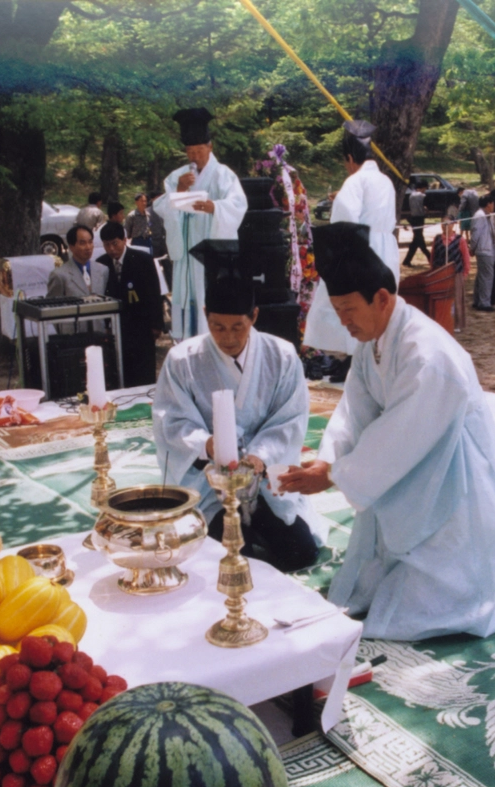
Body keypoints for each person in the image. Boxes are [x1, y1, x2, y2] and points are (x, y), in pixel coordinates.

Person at [278, 221, 495, 640]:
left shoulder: (427, 353)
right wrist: (328, 460)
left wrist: (335, 474)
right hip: (409, 463)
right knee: (379, 584)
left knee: (424, 604)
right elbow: (355, 411)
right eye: (337, 311)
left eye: (349, 310)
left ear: (382, 298)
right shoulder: (372, 343)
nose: (344, 322)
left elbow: (403, 434)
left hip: (451, 471)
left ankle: (486, 560)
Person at [154, 239, 322, 573]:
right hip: (209, 485)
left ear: (254, 316)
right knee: (230, 560)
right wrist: (207, 444)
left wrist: (260, 456)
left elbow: (289, 420)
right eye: (218, 326)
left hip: (264, 481)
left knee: (300, 553)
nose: (228, 337)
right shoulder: (182, 360)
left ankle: (260, 525)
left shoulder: (281, 355)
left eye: (238, 327)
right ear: (206, 315)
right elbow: (170, 420)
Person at [304, 120, 399, 359]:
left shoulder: (354, 181)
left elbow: (344, 224)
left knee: (352, 305)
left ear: (349, 158)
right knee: (379, 305)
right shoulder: (385, 181)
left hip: (362, 249)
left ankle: (351, 356)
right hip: (386, 251)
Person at [154, 107, 247, 341]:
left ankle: (214, 344)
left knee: (209, 297)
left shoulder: (223, 175)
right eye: (190, 152)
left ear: (210, 147)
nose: (194, 156)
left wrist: (214, 207)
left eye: (199, 150)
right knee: (188, 302)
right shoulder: (177, 177)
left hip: (210, 255)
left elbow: (238, 204)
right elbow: (160, 207)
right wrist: (179, 190)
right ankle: (186, 344)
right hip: (186, 256)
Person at [95, 221, 163, 388]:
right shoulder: (100, 263)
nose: (111, 249)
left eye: (115, 243)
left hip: (140, 325)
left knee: (143, 373)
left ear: (124, 240)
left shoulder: (143, 260)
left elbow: (154, 293)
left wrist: (156, 324)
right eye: (107, 245)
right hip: (116, 326)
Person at [431, 217, 470, 331]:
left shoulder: (460, 240)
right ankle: (441, 321)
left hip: (455, 274)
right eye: (443, 223)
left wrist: (465, 274)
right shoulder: (437, 239)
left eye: (448, 224)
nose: (445, 226)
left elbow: (466, 258)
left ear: (453, 225)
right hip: (440, 274)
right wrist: (433, 271)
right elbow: (433, 256)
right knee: (441, 299)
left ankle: (456, 324)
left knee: (455, 300)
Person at [470, 189, 495, 311]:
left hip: (489, 249)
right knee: (487, 277)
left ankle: (478, 300)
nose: (494, 206)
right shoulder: (480, 216)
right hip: (484, 250)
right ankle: (484, 303)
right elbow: (475, 233)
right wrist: (472, 247)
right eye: (493, 203)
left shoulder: (487, 215)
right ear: (488, 204)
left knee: (481, 276)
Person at [401, 181, 430, 267]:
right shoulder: (423, 196)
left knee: (416, 240)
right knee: (420, 239)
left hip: (413, 218)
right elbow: (426, 207)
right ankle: (430, 257)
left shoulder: (411, 195)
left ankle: (407, 260)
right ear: (422, 188)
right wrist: (425, 210)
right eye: (425, 188)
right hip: (420, 218)